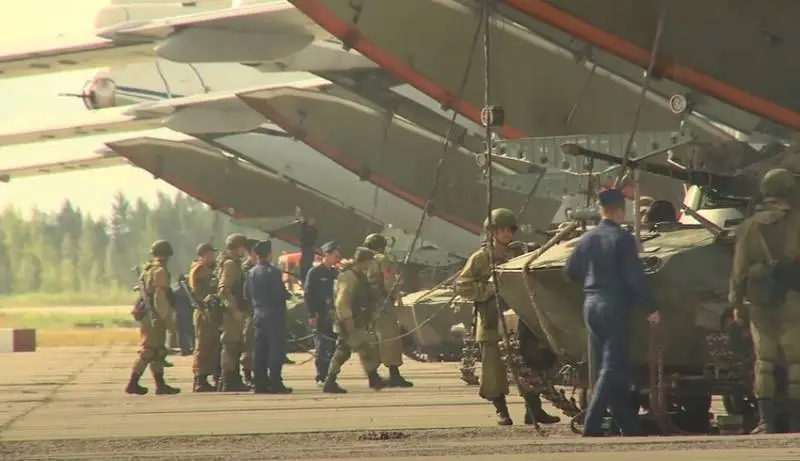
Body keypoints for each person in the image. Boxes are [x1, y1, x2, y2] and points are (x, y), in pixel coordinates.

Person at [564, 189, 660, 437]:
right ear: (621, 210)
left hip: (591, 305)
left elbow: (571, 271)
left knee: (607, 368)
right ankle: (592, 423)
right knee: (612, 366)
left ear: (600, 210)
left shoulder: (588, 238)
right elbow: (634, 277)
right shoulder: (623, 238)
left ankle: (629, 425)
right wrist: (650, 307)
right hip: (613, 305)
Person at [455, 208, 559, 425]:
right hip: (492, 318)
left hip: (520, 318)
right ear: (491, 232)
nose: (506, 233)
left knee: (527, 366)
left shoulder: (519, 253)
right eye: (501, 229)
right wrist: (488, 289)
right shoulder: (481, 258)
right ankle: (501, 410)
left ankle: (534, 411)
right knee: (493, 371)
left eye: (509, 229)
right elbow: (463, 286)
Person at [729, 168, 800, 434]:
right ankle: (796, 422)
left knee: (765, 362)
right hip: (794, 299)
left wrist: (736, 303)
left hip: (760, 302)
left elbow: (739, 270)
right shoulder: (797, 222)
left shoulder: (749, 226)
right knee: (797, 361)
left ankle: (766, 421)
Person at [322, 248, 387, 393]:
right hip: (350, 321)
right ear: (365, 261)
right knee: (348, 351)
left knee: (359, 349)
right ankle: (330, 380)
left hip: (357, 319)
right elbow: (341, 301)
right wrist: (347, 318)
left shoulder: (359, 275)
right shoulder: (349, 277)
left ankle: (373, 378)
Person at [125, 240, 181, 395]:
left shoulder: (148, 269)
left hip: (149, 314)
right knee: (148, 351)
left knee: (157, 351)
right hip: (154, 315)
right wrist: (166, 318)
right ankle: (132, 383)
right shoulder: (160, 271)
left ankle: (160, 385)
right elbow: (160, 297)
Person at [362, 233, 413, 387]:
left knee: (371, 341)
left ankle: (372, 376)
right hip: (382, 305)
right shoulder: (381, 260)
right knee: (390, 339)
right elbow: (388, 281)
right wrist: (395, 293)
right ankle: (394, 375)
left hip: (365, 306)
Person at [245, 240, 293, 393]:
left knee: (260, 349)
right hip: (274, 314)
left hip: (258, 313)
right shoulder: (273, 272)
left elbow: (246, 294)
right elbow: (279, 293)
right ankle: (275, 382)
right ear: (269, 254)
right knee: (275, 350)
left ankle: (260, 382)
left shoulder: (251, 272)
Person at [215, 233, 252, 392]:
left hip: (234, 311)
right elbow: (224, 290)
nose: (245, 250)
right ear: (237, 247)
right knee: (231, 346)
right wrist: (234, 310)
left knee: (235, 345)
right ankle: (229, 380)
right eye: (243, 247)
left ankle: (230, 379)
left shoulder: (233, 263)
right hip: (231, 313)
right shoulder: (230, 264)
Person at [304, 241, 341, 385]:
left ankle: (329, 375)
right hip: (320, 314)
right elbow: (308, 295)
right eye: (335, 255)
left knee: (332, 345)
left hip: (332, 315)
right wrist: (311, 315)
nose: (337, 259)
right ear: (326, 254)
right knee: (321, 346)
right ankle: (321, 376)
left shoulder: (334, 272)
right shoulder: (314, 272)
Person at [189, 242, 219, 392]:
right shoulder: (200, 268)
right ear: (203, 255)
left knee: (209, 345)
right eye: (210, 254)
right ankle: (199, 379)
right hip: (203, 311)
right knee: (202, 346)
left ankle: (204, 377)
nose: (213, 256)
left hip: (207, 311)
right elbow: (212, 282)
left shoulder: (203, 268)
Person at [240, 238, 260, 386]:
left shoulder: (257, 268)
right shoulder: (245, 270)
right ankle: (247, 375)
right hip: (248, 312)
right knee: (249, 343)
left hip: (257, 311)